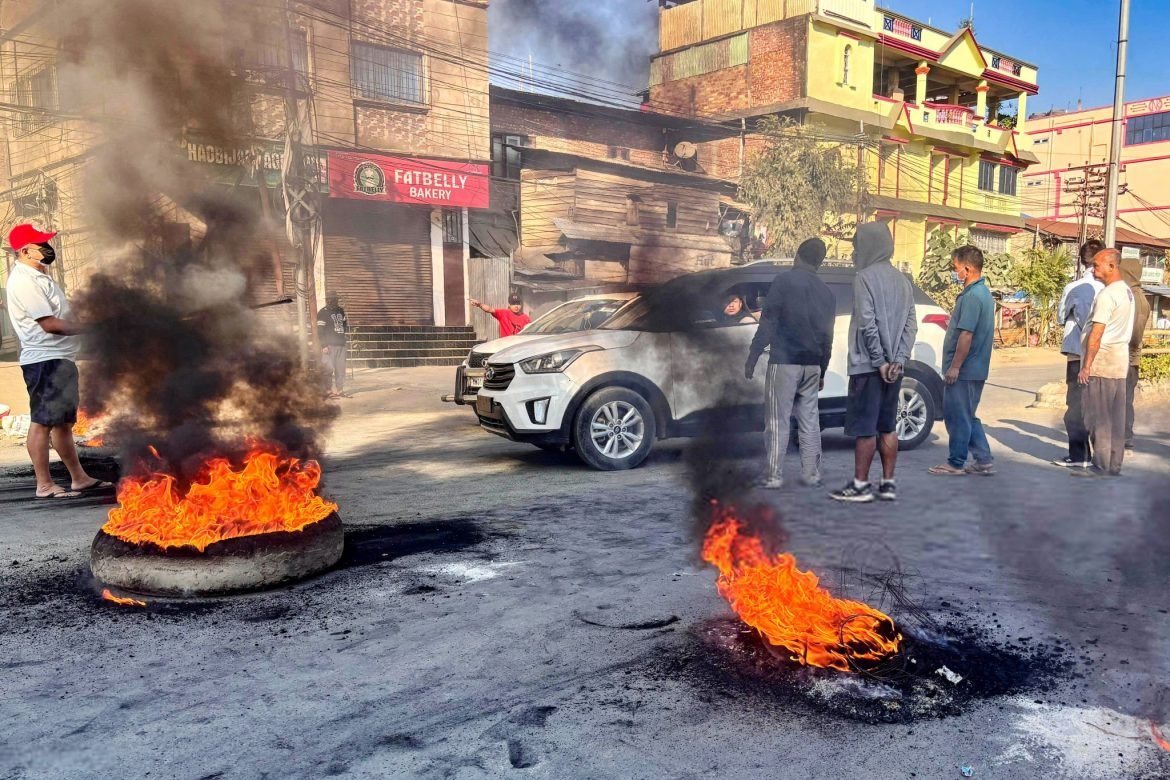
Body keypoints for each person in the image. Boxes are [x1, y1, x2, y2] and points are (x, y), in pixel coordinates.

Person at [4, 223, 109, 499]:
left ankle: (79, 478)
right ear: (25, 251)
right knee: (43, 422)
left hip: (60, 357)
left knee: (62, 423)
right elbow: (49, 324)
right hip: (45, 360)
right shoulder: (24, 281)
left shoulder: (39, 277)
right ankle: (44, 484)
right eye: (43, 246)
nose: (49, 249)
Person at [830, 222, 917, 503]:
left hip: (869, 367)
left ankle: (860, 486)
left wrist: (879, 361)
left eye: (858, 247)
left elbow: (868, 324)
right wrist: (898, 360)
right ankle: (888, 484)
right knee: (888, 427)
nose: (855, 252)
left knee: (865, 429)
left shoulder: (863, 278)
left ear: (869, 247)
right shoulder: (903, 281)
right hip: (894, 368)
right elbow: (911, 326)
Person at [745, 237, 834, 489]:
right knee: (809, 421)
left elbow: (769, 321)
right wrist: (823, 369)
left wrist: (753, 354)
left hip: (784, 361)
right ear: (819, 262)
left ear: (797, 256)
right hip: (813, 364)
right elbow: (828, 336)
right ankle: (811, 474)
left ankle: (773, 475)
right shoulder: (827, 293)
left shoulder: (783, 281)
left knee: (777, 420)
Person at [929, 246, 996, 477]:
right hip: (974, 368)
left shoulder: (973, 297)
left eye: (955, 267)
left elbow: (966, 335)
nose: (954, 272)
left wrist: (955, 366)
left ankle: (956, 463)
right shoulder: (982, 294)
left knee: (957, 417)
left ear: (967, 269)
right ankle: (983, 459)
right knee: (967, 415)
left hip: (965, 369)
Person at [1073, 248, 1135, 478]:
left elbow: (1097, 333)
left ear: (1112, 266)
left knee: (1097, 418)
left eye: (1097, 264)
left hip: (1103, 364)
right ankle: (1113, 465)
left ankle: (1101, 466)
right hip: (1118, 364)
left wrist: (1087, 365)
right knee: (1115, 418)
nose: (1093, 268)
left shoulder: (1108, 295)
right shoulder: (1126, 291)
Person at [1052, 240, 1105, 469]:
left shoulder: (1075, 287)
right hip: (1104, 355)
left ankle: (1079, 455)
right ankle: (1103, 456)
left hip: (1078, 353)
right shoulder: (1111, 289)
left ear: (1082, 260)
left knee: (1075, 406)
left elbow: (1061, 317)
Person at [1119, 257, 1150, 451]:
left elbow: (1135, 333)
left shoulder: (1136, 298)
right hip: (1126, 356)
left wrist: (1124, 347)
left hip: (1128, 357)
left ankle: (1124, 437)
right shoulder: (1131, 294)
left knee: (1123, 399)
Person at [316, 291, 349, 399]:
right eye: (330, 299)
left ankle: (340, 390)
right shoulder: (322, 312)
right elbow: (320, 330)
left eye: (334, 299)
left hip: (341, 344)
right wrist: (324, 345)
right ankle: (328, 391)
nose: (333, 300)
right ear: (327, 300)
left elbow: (344, 325)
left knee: (341, 369)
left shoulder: (341, 311)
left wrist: (341, 337)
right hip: (329, 345)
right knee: (328, 369)